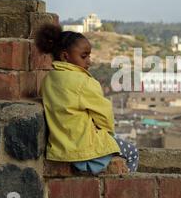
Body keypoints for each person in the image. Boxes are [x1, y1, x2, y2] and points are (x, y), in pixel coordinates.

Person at [35, 24, 138, 174]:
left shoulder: (48, 80)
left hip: (60, 148)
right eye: (84, 56)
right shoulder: (85, 82)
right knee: (132, 152)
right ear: (65, 56)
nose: (89, 61)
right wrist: (107, 134)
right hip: (85, 150)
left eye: (89, 56)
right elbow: (105, 115)